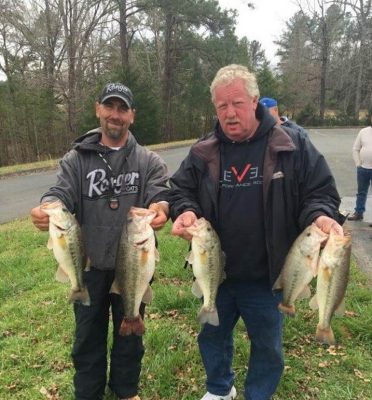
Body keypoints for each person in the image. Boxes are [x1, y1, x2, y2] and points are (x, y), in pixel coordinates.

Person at [168, 64, 344, 400]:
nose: (230, 113)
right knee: (211, 335)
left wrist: (320, 216)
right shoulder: (204, 150)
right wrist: (186, 210)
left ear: (254, 101)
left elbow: (319, 192)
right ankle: (220, 389)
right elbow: (180, 189)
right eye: (222, 106)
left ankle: (258, 394)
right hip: (218, 273)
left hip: (269, 275)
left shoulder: (291, 144)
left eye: (237, 103)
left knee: (267, 345)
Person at [31, 82, 169, 400]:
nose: (115, 115)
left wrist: (160, 209)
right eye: (109, 107)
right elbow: (59, 192)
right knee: (87, 337)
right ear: (98, 110)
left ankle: (125, 390)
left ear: (132, 115)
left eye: (123, 108)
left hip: (132, 265)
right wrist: (45, 207)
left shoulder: (149, 161)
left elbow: (160, 194)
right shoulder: (76, 160)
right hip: (89, 266)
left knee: (130, 337)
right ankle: (88, 393)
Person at [347, 121, 372, 225]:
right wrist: (358, 163)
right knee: (361, 192)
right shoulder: (364, 131)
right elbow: (355, 149)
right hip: (363, 169)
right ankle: (359, 212)